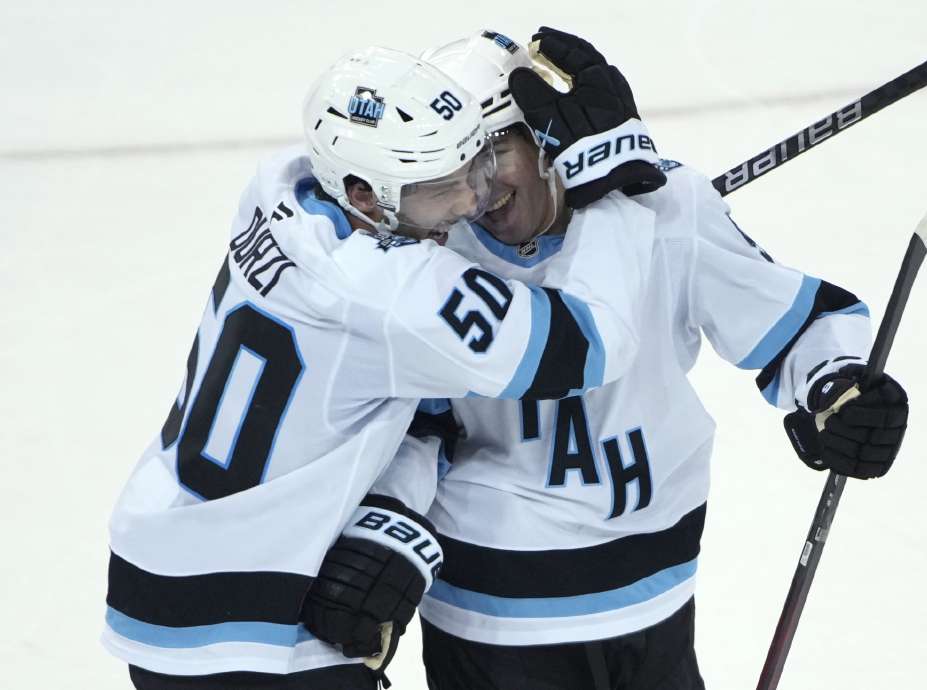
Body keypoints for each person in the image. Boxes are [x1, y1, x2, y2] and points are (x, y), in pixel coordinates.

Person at [348, 29, 910, 689]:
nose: (484, 185)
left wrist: (835, 388)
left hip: (654, 604)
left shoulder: (664, 211)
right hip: (492, 622)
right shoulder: (432, 256)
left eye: (499, 147)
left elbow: (799, 322)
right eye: (463, 162)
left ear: (550, 136)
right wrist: (379, 535)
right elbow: (417, 424)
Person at [102, 43, 666, 690]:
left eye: (472, 171)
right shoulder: (393, 295)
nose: (466, 205)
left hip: (162, 569)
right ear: (366, 195)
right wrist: (608, 187)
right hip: (255, 620)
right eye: (438, 189)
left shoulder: (279, 188)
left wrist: (395, 511)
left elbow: (399, 394)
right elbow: (591, 343)